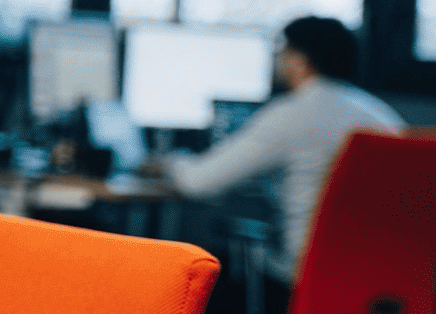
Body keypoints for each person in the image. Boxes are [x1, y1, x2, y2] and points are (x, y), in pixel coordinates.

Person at [167, 16, 403, 286]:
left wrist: (170, 162)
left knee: (218, 260)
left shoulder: (292, 113)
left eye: (283, 50)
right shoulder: (384, 117)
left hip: (306, 277)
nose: (277, 58)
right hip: (385, 278)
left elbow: (197, 183)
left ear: (298, 60)